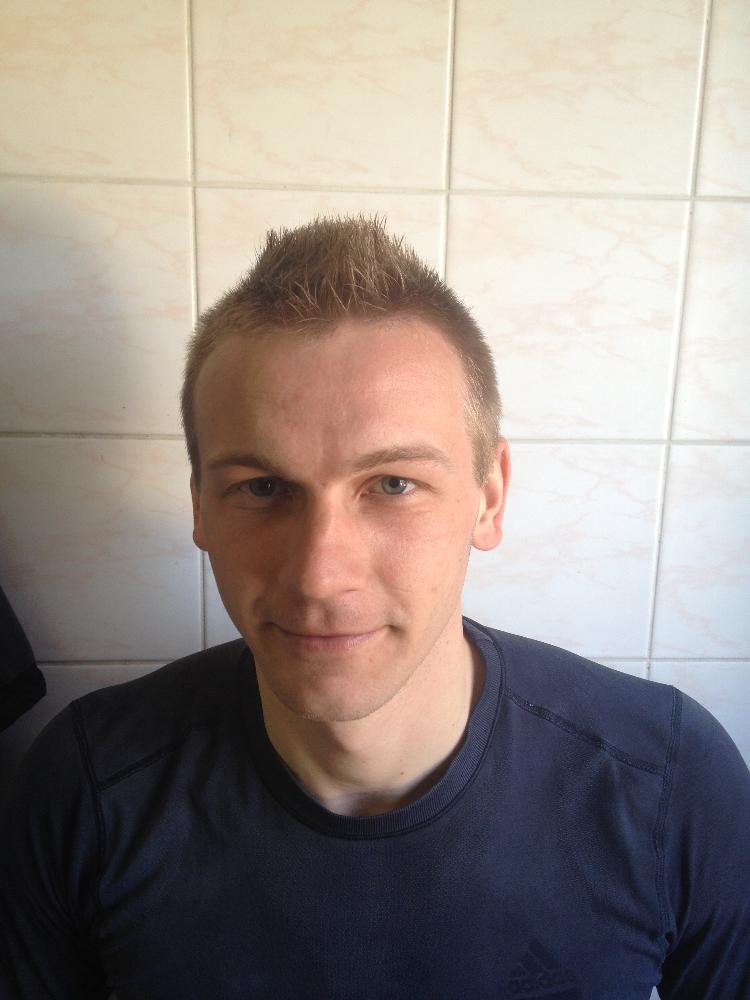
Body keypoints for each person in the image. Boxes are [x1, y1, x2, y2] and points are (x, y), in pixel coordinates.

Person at [1, 216, 748, 1000]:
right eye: (262, 488)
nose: (321, 577)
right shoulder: (86, 789)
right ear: (200, 507)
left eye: (393, 484)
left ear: (490, 497)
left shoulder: (667, 782)